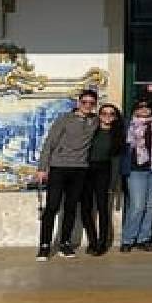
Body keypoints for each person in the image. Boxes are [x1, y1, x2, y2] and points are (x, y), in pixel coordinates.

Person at [34, 90, 100, 262]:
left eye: (91, 103)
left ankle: (65, 243)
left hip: (80, 169)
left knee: (71, 208)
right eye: (84, 102)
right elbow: (50, 142)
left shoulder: (95, 121)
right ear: (78, 103)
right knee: (52, 207)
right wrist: (42, 168)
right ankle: (44, 245)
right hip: (59, 167)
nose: (87, 105)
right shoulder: (64, 119)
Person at [80, 102, 125, 256]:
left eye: (111, 114)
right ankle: (92, 240)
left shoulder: (117, 134)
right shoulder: (91, 131)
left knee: (102, 208)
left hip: (104, 171)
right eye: (104, 113)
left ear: (115, 117)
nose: (107, 116)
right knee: (86, 208)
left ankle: (102, 242)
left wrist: (113, 182)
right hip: (86, 170)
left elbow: (116, 160)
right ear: (99, 115)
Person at [119, 99, 152, 252]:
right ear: (135, 109)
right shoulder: (127, 125)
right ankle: (128, 239)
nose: (145, 110)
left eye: (148, 107)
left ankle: (144, 238)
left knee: (150, 205)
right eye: (141, 107)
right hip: (135, 169)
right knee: (137, 206)